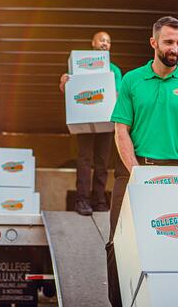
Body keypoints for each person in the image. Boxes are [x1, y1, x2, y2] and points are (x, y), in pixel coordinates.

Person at [105, 16, 178, 306]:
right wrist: (138, 174)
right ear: (154, 42)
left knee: (174, 244)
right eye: (168, 41)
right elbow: (121, 131)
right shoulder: (132, 80)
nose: (174, 48)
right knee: (119, 243)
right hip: (131, 173)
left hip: (176, 172)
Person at [59, 31, 123, 216]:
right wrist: (64, 82)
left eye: (108, 41)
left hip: (105, 120)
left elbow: (117, 94)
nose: (105, 43)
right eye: (102, 40)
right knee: (84, 159)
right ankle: (82, 200)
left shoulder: (114, 70)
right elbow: (68, 89)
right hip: (85, 119)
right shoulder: (79, 66)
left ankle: (99, 200)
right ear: (93, 43)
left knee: (102, 161)